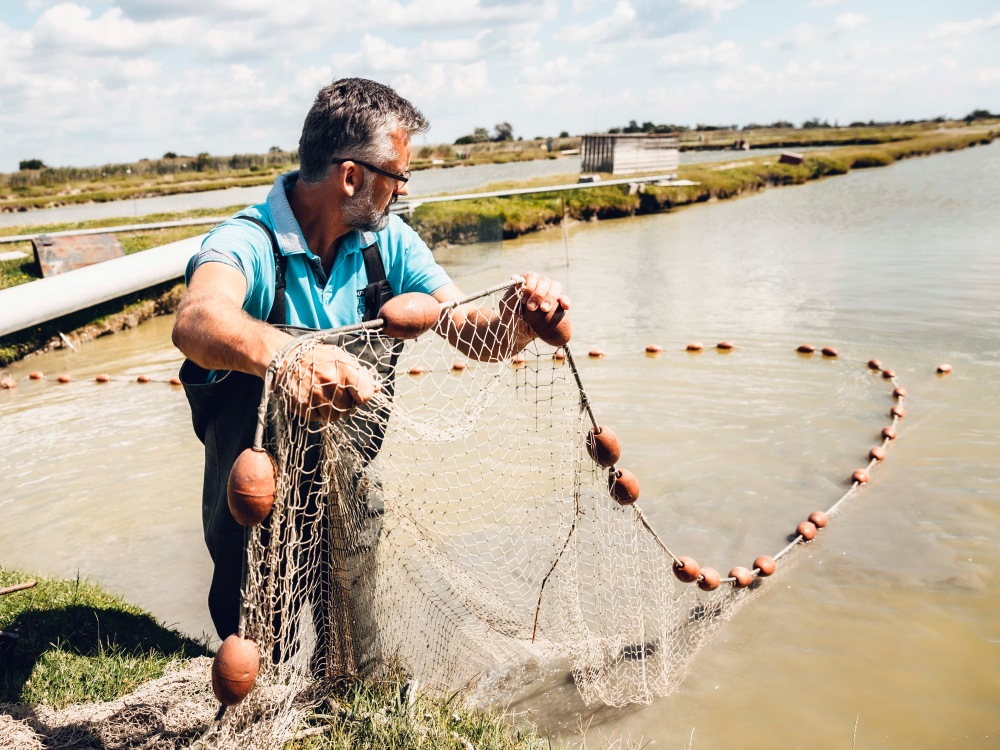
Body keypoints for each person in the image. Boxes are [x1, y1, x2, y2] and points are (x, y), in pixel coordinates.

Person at [171, 78, 570, 645]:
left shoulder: (389, 242)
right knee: (257, 644)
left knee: (356, 643)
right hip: (253, 496)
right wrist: (291, 356)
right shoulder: (248, 241)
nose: (401, 193)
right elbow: (197, 320)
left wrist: (522, 319)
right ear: (352, 176)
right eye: (397, 178)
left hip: (350, 483)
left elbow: (466, 329)